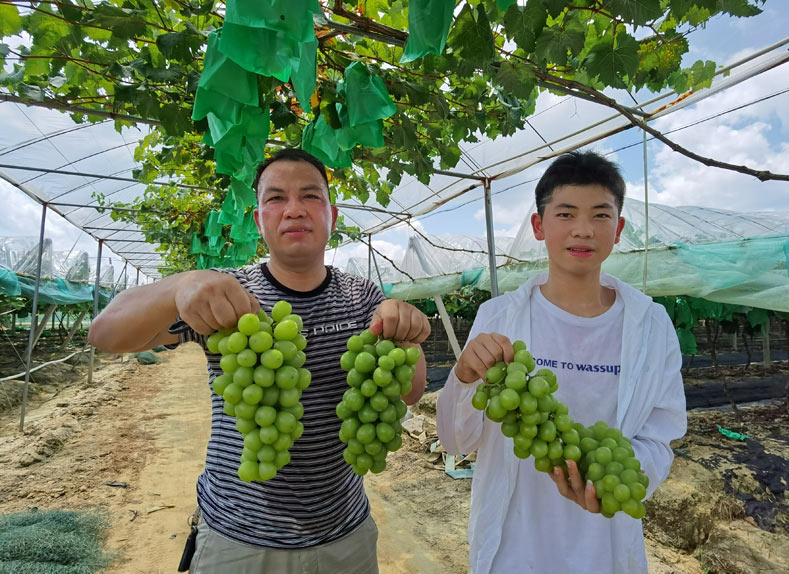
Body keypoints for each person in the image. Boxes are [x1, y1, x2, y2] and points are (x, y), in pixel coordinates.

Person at [89, 148, 430, 573]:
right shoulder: (225, 296)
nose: (293, 210)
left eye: (310, 196)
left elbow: (412, 391)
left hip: (345, 534)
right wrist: (181, 284)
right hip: (238, 540)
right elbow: (105, 335)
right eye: (275, 198)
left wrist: (409, 335)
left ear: (332, 215)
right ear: (257, 220)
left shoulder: (363, 297)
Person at [436, 151, 687, 573]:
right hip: (514, 553)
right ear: (539, 225)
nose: (584, 230)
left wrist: (613, 482)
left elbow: (660, 437)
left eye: (601, 216)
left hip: (605, 547)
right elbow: (456, 441)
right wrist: (461, 379)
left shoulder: (651, 325)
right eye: (566, 213)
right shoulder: (499, 317)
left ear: (619, 228)